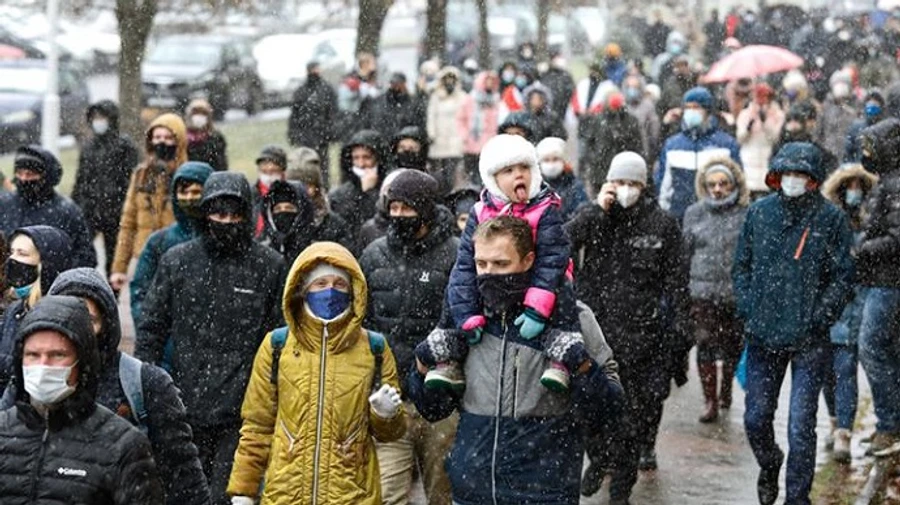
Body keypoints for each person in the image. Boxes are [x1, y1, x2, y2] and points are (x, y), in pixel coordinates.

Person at [410, 216, 624, 505]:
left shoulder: (572, 317)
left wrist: (579, 364)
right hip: (474, 489)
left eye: (501, 264)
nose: (488, 274)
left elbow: (608, 410)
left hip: (544, 491)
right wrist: (423, 364)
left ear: (527, 261)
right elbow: (434, 408)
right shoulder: (467, 318)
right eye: (481, 264)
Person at [136, 172, 286, 505]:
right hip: (183, 404)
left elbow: (279, 339)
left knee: (228, 496)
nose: (227, 222)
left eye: (235, 214)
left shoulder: (269, 265)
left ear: (247, 215)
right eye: (219, 213)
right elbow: (152, 328)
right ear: (205, 214)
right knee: (184, 495)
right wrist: (147, 390)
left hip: (243, 411)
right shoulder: (178, 261)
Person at [227, 242, 407, 505]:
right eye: (320, 283)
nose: (330, 291)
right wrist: (244, 489)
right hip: (285, 494)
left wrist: (386, 415)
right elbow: (257, 424)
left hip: (352, 495)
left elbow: (391, 435)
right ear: (303, 289)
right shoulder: (277, 346)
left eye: (339, 284)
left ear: (353, 290)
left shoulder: (374, 349)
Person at [565, 152, 691, 501]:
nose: (626, 190)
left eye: (633, 183)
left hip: (642, 336)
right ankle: (599, 456)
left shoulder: (662, 224)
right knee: (586, 409)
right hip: (595, 332)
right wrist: (594, 211)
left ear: (644, 186)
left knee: (632, 419)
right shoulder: (594, 217)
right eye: (620, 183)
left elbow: (677, 280)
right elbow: (561, 244)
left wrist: (680, 330)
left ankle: (622, 487)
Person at [733, 142, 854, 505]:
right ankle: (770, 463)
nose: (793, 180)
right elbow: (742, 266)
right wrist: (749, 307)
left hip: (809, 338)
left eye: (801, 174)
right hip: (763, 334)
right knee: (756, 418)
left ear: (812, 179)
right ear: (777, 175)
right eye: (788, 174)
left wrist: (820, 317)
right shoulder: (759, 213)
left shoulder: (831, 219)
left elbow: (843, 277)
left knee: (802, 425)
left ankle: (797, 498)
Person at [423, 134, 584, 393]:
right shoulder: (480, 211)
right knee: (455, 285)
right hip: (492, 275)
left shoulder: (544, 209)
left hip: (532, 279)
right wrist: (466, 314)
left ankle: (561, 357)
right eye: (509, 170)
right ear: (493, 178)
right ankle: (448, 355)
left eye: (524, 168)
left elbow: (552, 259)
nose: (519, 175)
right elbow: (466, 263)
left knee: (562, 287)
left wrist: (536, 307)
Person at [45, 268, 211, 505]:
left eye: (89, 319)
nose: (77, 328)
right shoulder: (31, 380)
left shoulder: (144, 383)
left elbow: (184, 478)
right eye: (67, 315)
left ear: (106, 324)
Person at [0, 295, 164, 504]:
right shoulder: (3, 430)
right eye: (32, 355)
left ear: (82, 360)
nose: (44, 365)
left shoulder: (123, 445)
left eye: (57, 355)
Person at [359, 170, 459, 505]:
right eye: (394, 208)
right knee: (387, 494)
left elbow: (463, 321)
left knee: (443, 493)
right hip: (390, 398)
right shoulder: (374, 254)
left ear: (427, 210)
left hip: (440, 401)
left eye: (408, 209)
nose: (399, 216)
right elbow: (363, 320)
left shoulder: (456, 255)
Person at [682, 158, 749, 423]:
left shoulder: (745, 213)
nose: (717, 189)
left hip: (734, 293)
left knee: (733, 345)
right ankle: (709, 399)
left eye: (723, 184)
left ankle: (726, 389)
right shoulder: (694, 213)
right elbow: (685, 253)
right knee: (706, 344)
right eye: (712, 184)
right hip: (702, 292)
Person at [820, 164, 878, 463]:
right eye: (849, 186)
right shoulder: (828, 222)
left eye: (860, 186)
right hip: (830, 304)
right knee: (827, 372)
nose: (854, 192)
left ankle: (844, 429)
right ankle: (833, 420)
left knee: (845, 369)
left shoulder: (873, 222)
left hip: (857, 303)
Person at [855, 119, 900, 457]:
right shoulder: (888, 182)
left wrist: (863, 248)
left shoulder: (895, 185)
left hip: (888, 282)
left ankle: (889, 425)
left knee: (872, 348)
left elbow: (896, 238)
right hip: (883, 280)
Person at [110, 113, 188, 293]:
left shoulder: (187, 176)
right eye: (157, 137)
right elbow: (128, 223)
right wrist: (119, 268)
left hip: (179, 259)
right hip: (145, 259)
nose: (162, 143)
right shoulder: (141, 175)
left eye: (169, 138)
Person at [130, 161, 214, 326]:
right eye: (183, 192)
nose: (189, 198)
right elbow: (141, 291)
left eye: (197, 191)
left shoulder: (222, 239)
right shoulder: (159, 242)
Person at [0, 226, 72, 392]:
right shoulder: (16, 309)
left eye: (22, 254)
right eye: (12, 252)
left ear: (45, 266)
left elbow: (36, 370)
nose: (12, 260)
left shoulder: (58, 315)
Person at [0, 146, 95, 269]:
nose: (23, 179)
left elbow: (85, 256)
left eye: (30, 174)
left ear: (46, 177)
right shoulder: (4, 204)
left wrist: (53, 275)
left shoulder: (67, 211)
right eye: (19, 173)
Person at [73, 100, 140, 273]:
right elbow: (81, 180)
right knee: (82, 254)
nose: (98, 121)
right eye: (95, 118)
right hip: (90, 210)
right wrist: (76, 205)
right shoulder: (88, 147)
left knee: (114, 257)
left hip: (116, 211)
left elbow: (131, 180)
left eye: (102, 117)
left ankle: (112, 294)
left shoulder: (125, 147)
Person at [657, 86, 742, 221]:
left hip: (716, 218)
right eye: (688, 108)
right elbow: (663, 186)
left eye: (696, 107)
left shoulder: (725, 144)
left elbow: (738, 183)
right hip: (678, 217)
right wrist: (663, 216)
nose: (691, 112)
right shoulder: (672, 145)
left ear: (707, 111)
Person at [260, 179, 355, 262]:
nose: (283, 213)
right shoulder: (265, 252)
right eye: (278, 209)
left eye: (290, 208)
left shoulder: (317, 249)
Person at [286, 149, 357, 251]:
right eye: (295, 186)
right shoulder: (278, 220)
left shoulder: (334, 225)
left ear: (316, 187)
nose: (301, 191)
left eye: (307, 185)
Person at [580, 92, 644, 195]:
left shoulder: (630, 121)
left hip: (624, 172)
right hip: (600, 171)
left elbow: (638, 146)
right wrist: (594, 158)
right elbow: (588, 143)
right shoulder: (598, 120)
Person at [288, 60, 338, 188]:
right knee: (306, 166)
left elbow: (333, 113)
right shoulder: (302, 92)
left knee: (322, 167)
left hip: (320, 137)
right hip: (307, 137)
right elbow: (295, 115)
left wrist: (331, 132)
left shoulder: (326, 90)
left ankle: (323, 188)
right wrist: (294, 134)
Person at [329, 130, 391, 232]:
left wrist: (370, 193)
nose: (361, 164)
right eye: (356, 158)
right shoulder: (339, 195)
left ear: (378, 159)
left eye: (366, 157)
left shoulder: (389, 187)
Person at [736, 83, 786, 198]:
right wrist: (748, 128)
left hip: (767, 157)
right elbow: (740, 139)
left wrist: (765, 123)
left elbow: (775, 139)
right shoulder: (745, 114)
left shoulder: (777, 115)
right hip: (749, 157)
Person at [457, 70, 500, 186]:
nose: (490, 84)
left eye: (492, 81)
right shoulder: (470, 99)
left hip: (490, 144)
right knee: (472, 175)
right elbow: (460, 118)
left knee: (487, 176)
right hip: (472, 143)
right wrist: (465, 135)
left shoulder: (495, 100)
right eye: (487, 81)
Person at [427, 67, 466, 195]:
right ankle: (441, 192)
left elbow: (466, 117)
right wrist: (432, 133)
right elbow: (431, 116)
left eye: (452, 80)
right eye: (447, 80)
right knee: (439, 169)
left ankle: (452, 192)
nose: (449, 83)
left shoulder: (462, 97)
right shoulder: (436, 97)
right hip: (439, 137)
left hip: (455, 137)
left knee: (453, 168)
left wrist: (464, 136)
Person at [536, 137, 588, 221]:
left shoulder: (574, 185)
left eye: (555, 159)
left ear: (563, 161)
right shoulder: (535, 186)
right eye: (546, 160)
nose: (551, 165)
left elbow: (582, 213)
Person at [366, 72, 426, 140]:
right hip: (384, 141)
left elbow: (417, 125)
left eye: (398, 83)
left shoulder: (413, 103)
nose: (395, 86)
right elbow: (374, 123)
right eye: (393, 83)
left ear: (404, 84)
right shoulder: (379, 102)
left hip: (403, 143)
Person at [623, 74, 662, 166]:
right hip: (625, 150)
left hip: (643, 151)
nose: (632, 90)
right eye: (629, 87)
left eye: (635, 87)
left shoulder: (647, 106)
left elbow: (654, 131)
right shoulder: (623, 105)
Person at [251, 145, 288, 238]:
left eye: (274, 164)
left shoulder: (290, 194)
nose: (269, 167)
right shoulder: (250, 193)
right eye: (264, 164)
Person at [185, 98, 228, 172]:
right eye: (196, 113)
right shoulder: (183, 137)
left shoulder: (216, 138)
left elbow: (221, 164)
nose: (199, 116)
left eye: (203, 113)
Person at [844, 90, 884, 163]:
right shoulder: (856, 127)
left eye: (876, 103)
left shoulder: (885, 126)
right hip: (859, 170)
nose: (872, 105)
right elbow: (848, 152)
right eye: (870, 103)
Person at [541, 53, 575, 120]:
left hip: (562, 109)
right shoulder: (545, 75)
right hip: (547, 110)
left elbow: (570, 91)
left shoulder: (566, 75)